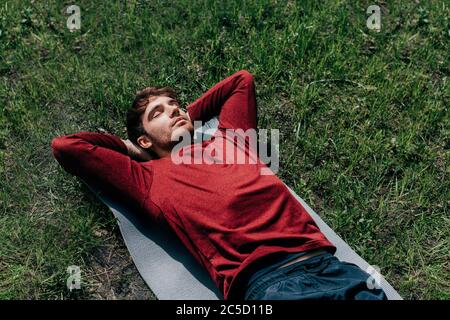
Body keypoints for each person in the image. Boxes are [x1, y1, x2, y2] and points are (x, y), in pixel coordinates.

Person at [51, 70, 387, 300]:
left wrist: (181, 120)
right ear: (144, 139)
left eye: (175, 105)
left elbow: (241, 82)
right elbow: (68, 147)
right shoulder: (147, 179)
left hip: (335, 269)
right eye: (158, 113)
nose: (174, 111)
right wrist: (137, 150)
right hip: (270, 286)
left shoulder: (232, 140)